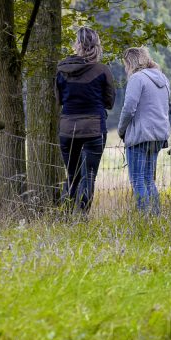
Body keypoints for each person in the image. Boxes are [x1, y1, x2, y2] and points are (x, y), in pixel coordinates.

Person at [56, 26, 115, 213]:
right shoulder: (102, 70)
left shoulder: (61, 70)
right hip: (94, 128)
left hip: (67, 128)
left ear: (78, 45)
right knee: (89, 176)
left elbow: (58, 100)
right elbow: (110, 101)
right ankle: (82, 216)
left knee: (72, 175)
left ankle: (66, 215)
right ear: (96, 45)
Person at [117, 47, 171, 215]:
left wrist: (121, 129)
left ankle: (143, 219)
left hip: (140, 135)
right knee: (149, 179)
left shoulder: (137, 79)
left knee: (138, 181)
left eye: (126, 64)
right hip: (158, 135)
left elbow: (129, 108)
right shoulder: (163, 78)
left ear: (130, 62)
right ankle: (155, 215)